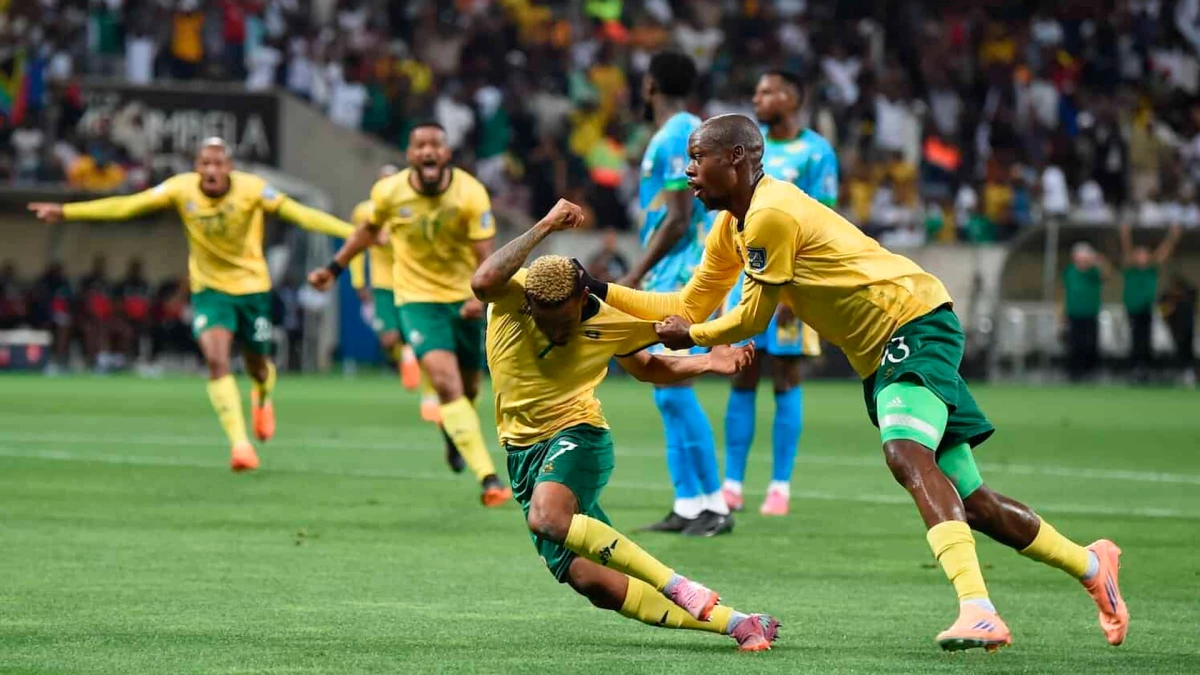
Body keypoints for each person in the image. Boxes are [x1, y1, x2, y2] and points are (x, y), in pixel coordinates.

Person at [578, 114, 1128, 652]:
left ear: (738, 158)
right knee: (974, 502)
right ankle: (1090, 563)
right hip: (883, 349)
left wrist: (691, 334)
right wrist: (599, 291)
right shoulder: (732, 225)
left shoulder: (770, 214)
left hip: (910, 322)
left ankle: (978, 611)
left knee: (907, 455)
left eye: (698, 158)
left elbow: (747, 321)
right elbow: (685, 303)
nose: (690, 171)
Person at [470, 198, 779, 651]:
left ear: (583, 299)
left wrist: (706, 362)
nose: (556, 332)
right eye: (545, 321)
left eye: (566, 323)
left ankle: (678, 585)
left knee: (548, 518)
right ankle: (738, 623)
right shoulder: (513, 296)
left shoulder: (615, 321)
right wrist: (546, 224)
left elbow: (649, 365)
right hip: (522, 452)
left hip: (578, 435)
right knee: (598, 586)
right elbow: (483, 278)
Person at [29, 137, 357, 472]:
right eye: (205, 164)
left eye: (218, 163)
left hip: (252, 290)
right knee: (216, 361)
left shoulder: (253, 190)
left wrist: (354, 232)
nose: (212, 170)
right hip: (210, 291)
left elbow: (300, 214)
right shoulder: (181, 189)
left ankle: (262, 393)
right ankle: (240, 446)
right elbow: (128, 205)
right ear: (197, 167)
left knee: (257, 364)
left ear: (230, 167)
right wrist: (67, 211)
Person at [309, 122, 510, 507]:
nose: (428, 151)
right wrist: (334, 269)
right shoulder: (389, 192)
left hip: (463, 299)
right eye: (420, 145)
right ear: (410, 155)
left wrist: (482, 298)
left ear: (446, 153)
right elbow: (366, 233)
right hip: (416, 301)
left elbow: (487, 254)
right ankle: (488, 477)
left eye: (436, 144)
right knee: (446, 385)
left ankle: (454, 438)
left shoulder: (470, 193)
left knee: (469, 389)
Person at [621, 51, 729, 536]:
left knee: (673, 383)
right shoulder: (686, 130)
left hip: (682, 274)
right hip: (677, 271)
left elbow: (680, 216)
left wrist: (635, 271)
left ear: (649, 86)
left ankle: (715, 506)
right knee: (667, 388)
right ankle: (689, 503)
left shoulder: (675, 137)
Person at [721, 70, 836, 517]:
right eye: (757, 91)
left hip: (790, 281)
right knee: (742, 372)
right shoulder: (751, 150)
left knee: (785, 376)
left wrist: (793, 291)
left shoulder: (816, 152)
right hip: (746, 279)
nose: (758, 98)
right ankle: (731, 484)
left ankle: (779, 488)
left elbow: (819, 220)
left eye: (767, 91)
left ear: (792, 98)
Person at [347, 164, 464, 473]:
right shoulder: (364, 212)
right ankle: (405, 357)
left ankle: (428, 393)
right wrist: (358, 281)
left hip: (413, 284)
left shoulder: (412, 209)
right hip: (383, 286)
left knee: (425, 343)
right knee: (389, 339)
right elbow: (357, 244)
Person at [1119, 223, 1181, 381]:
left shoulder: (1152, 269)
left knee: (1146, 339)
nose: (1141, 257)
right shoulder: (1130, 269)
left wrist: (1172, 236)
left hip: (1146, 308)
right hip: (1132, 309)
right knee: (1135, 339)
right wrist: (1125, 235)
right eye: (1138, 254)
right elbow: (1126, 251)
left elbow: (1163, 252)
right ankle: (1134, 368)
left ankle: (1145, 368)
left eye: (1144, 254)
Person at [1063, 242, 1112, 382]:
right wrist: (1061, 315)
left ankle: (1092, 372)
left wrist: (1098, 261)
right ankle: (1074, 373)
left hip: (1090, 313)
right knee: (1074, 344)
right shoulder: (1070, 271)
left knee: (1090, 343)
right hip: (1073, 314)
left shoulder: (1094, 271)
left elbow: (1107, 274)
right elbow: (1064, 292)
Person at [1161, 273, 1198, 386]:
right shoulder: (1168, 298)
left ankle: (1190, 373)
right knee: (1179, 351)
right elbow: (1165, 312)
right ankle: (1182, 372)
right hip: (1175, 329)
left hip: (1187, 329)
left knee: (1187, 351)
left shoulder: (1188, 297)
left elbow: (1195, 309)